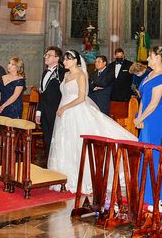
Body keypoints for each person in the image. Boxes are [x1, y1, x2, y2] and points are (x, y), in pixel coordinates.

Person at [48, 50, 138, 194]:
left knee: (78, 143)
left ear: (76, 60)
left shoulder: (81, 75)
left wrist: (65, 107)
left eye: (67, 59)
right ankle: (63, 177)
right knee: (65, 143)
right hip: (64, 113)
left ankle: (81, 179)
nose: (64, 62)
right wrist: (62, 108)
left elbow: (81, 97)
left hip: (76, 110)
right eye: (64, 59)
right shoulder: (66, 75)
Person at [134, 46, 162, 208]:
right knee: (145, 154)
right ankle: (145, 193)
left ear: (158, 58)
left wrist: (142, 117)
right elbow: (143, 98)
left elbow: (155, 103)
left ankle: (159, 195)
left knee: (155, 156)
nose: (147, 59)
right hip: (145, 118)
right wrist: (138, 117)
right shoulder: (150, 74)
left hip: (156, 119)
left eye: (150, 56)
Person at [37, 46, 64, 156]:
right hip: (44, 110)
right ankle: (49, 161)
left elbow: (65, 93)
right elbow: (41, 94)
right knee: (47, 138)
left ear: (57, 58)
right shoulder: (44, 72)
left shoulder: (62, 73)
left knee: (56, 138)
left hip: (56, 111)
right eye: (46, 55)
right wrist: (38, 112)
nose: (46, 57)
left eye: (49, 55)